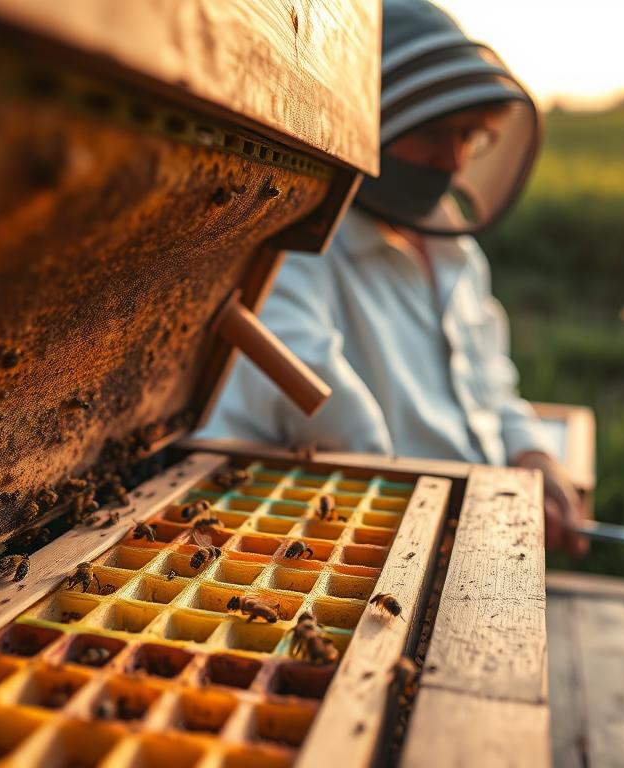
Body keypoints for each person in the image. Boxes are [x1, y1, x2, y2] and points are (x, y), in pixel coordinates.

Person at [201, 0, 589, 555]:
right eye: (434, 134)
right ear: (372, 123)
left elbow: (488, 388)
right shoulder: (301, 252)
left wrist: (532, 455)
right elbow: (330, 416)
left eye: (470, 137)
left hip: (479, 532)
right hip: (377, 544)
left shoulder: (456, 251)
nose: (454, 160)